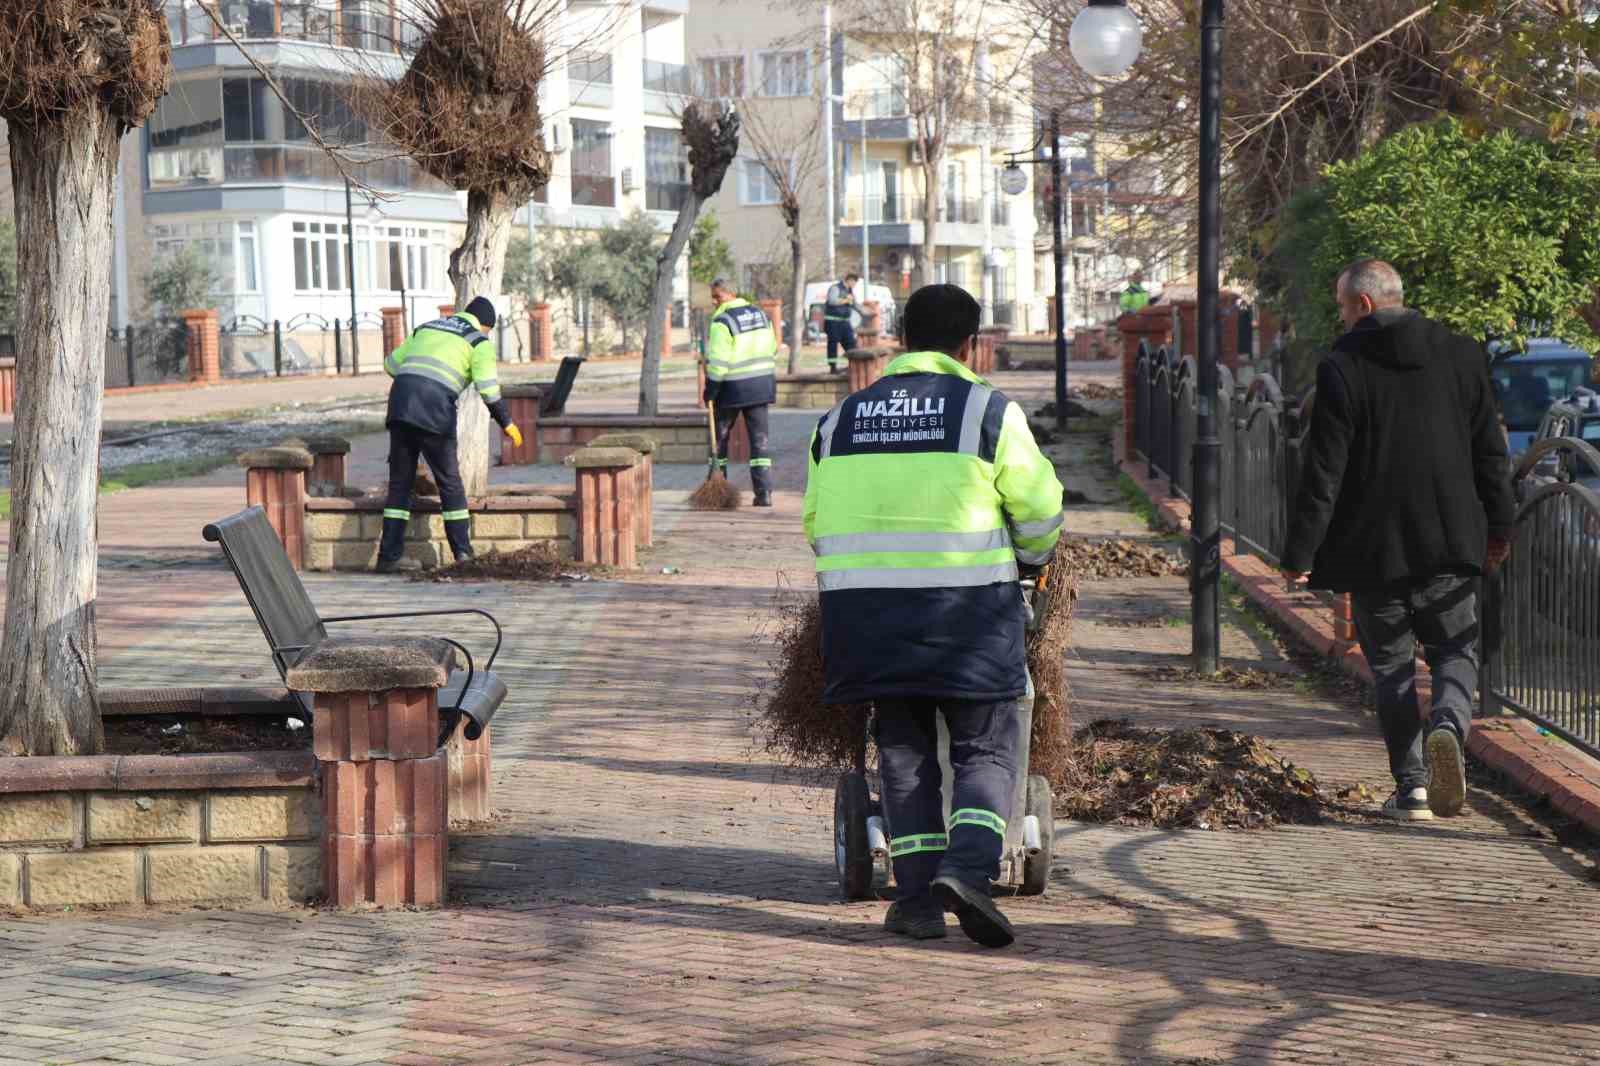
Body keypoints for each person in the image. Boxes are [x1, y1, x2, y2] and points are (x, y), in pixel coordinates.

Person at [803, 283, 1065, 947]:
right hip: (968, 615)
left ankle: (916, 900)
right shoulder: (987, 412)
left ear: (899, 334)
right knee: (984, 744)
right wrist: (1030, 563)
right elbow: (1038, 509)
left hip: (866, 621)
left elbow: (814, 522)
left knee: (903, 751)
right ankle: (970, 870)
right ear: (970, 344)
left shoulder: (840, 421)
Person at [1282, 259, 1515, 821]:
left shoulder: (1342, 367)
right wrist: (1500, 528)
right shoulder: (1462, 354)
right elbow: (1490, 452)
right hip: (1454, 540)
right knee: (1456, 650)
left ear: (1363, 304)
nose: (1340, 316)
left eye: (1341, 306)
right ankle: (1450, 728)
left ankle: (1412, 789)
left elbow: (1324, 472)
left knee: (1390, 669)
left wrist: (1299, 554)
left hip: (1374, 552)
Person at [376, 296, 522, 573]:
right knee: (450, 483)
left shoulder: (427, 327)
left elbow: (391, 366)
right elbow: (488, 389)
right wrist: (507, 423)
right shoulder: (478, 342)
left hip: (400, 405)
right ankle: (463, 555)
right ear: (485, 326)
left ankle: (389, 557)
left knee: (400, 484)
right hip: (434, 410)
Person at [705, 279, 778, 506]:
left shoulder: (722, 321)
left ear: (729, 294)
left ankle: (719, 491)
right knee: (760, 443)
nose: (714, 301)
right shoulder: (761, 315)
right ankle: (764, 493)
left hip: (732, 389)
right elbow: (773, 347)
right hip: (762, 386)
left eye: (717, 296)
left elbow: (718, 362)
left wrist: (711, 390)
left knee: (720, 441)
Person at [823, 272, 860, 373]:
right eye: (854, 283)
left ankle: (853, 366)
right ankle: (833, 368)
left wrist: (867, 312)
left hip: (845, 322)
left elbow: (855, 304)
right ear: (849, 280)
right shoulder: (835, 288)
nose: (854, 285)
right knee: (833, 344)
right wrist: (846, 300)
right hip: (833, 321)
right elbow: (832, 301)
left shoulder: (850, 291)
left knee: (851, 344)